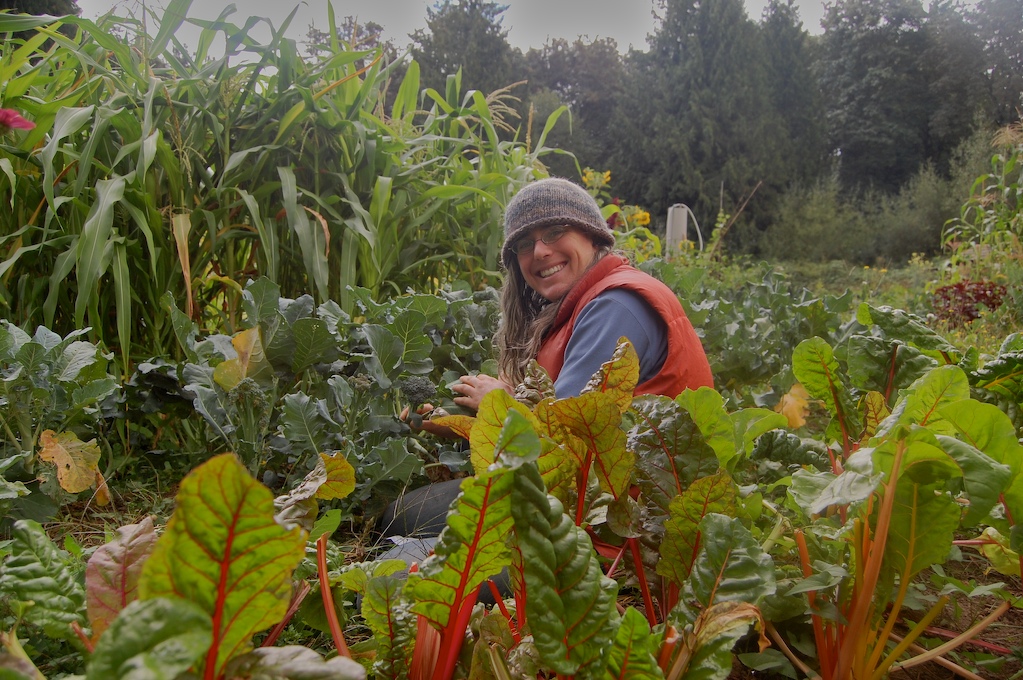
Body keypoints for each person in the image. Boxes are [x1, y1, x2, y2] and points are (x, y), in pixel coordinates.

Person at [378, 177, 713, 546]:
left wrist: (498, 405)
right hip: (580, 500)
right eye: (525, 244)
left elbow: (563, 445)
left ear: (593, 237)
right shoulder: (582, 304)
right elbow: (552, 422)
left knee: (405, 559)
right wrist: (458, 423)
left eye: (554, 232)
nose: (539, 251)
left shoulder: (614, 307)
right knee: (399, 517)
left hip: (620, 524)